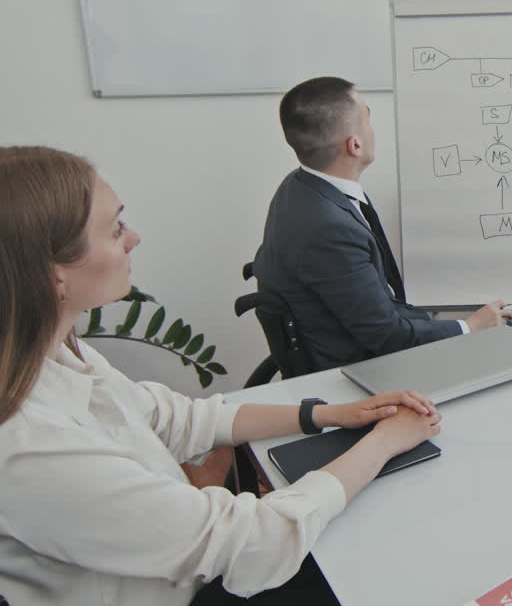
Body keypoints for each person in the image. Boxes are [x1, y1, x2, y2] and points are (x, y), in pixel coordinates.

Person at [0, 146, 445, 604]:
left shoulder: (57, 354)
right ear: (53, 273)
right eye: (115, 230)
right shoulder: (29, 447)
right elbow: (250, 542)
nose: (134, 238)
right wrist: (384, 441)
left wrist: (332, 413)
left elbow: (177, 418)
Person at [254, 76, 512, 372]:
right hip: (362, 372)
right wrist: (470, 326)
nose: (373, 127)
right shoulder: (328, 229)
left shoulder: (298, 188)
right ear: (355, 145)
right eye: (368, 117)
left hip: (355, 345)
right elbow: (388, 338)